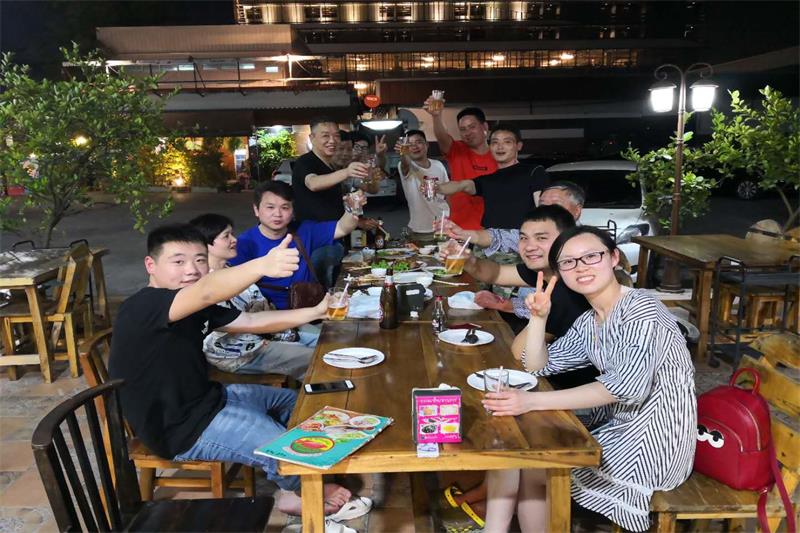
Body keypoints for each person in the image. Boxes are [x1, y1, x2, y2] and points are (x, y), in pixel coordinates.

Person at [108, 224, 364, 521]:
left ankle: (291, 484)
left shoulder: (190, 304)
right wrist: (263, 265)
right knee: (287, 447)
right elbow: (206, 291)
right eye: (178, 261)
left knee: (299, 404)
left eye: (200, 260)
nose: (191, 270)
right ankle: (301, 491)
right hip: (179, 429)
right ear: (150, 265)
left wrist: (315, 312)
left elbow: (251, 322)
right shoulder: (144, 305)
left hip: (209, 399)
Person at [482, 226, 696, 533]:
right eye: (568, 262)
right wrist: (539, 319)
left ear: (614, 258)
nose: (581, 267)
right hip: (619, 427)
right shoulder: (590, 320)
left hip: (656, 442)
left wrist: (530, 401)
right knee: (528, 456)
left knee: (536, 464)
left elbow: (626, 387)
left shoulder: (642, 310)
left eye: (591, 257)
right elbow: (536, 365)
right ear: (560, 272)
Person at [190, 213, 319, 381]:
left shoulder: (233, 269)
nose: (234, 239)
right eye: (226, 236)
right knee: (317, 359)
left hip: (270, 334)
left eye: (232, 234)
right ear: (206, 244)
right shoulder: (206, 284)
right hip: (241, 351)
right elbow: (245, 322)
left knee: (328, 342)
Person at [231, 180, 364, 308]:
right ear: (256, 210)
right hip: (267, 314)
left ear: (292, 210)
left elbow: (342, 228)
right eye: (270, 207)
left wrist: (352, 208)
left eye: (285, 207)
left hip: (308, 308)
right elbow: (232, 283)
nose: (277, 214)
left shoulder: (304, 230)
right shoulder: (243, 243)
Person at [434, 124, 549, 229]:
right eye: (495, 142)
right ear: (490, 147)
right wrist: (437, 188)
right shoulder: (487, 180)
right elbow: (463, 185)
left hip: (521, 240)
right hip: (488, 241)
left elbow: (543, 210)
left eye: (507, 142)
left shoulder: (533, 171)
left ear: (518, 146)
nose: (500, 147)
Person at [423, 98, 496, 230]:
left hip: (491, 229)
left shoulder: (498, 155)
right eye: (463, 129)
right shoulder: (457, 150)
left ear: (485, 127)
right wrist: (436, 116)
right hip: (459, 229)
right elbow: (442, 136)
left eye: (472, 127)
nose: (468, 133)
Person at [394, 129, 450, 235]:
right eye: (410, 144)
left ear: (427, 145)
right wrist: (403, 153)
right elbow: (405, 162)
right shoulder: (406, 166)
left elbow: (448, 192)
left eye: (418, 142)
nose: (414, 146)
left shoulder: (438, 165)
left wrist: (452, 217)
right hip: (421, 227)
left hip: (444, 223)